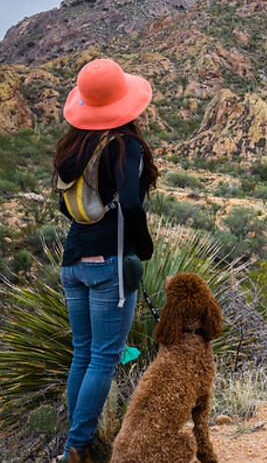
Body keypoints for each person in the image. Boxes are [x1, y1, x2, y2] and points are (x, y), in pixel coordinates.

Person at [53, 58, 158, 461]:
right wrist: (143, 246)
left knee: (83, 351)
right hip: (108, 264)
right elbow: (130, 203)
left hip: (73, 261)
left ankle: (82, 440)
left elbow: (69, 209)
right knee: (104, 356)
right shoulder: (124, 145)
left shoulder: (73, 147)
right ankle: (76, 447)